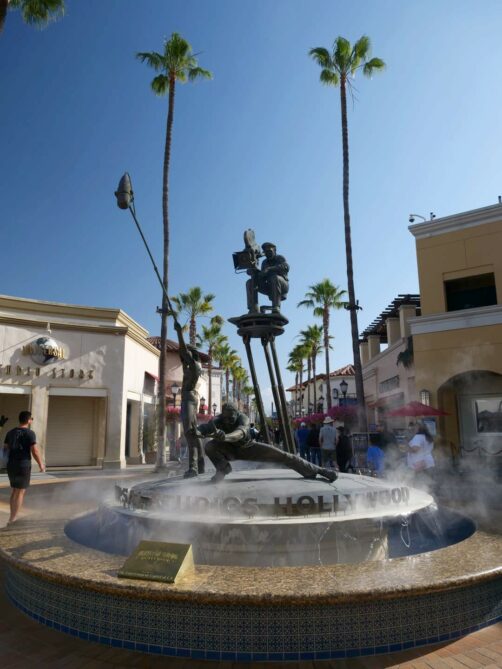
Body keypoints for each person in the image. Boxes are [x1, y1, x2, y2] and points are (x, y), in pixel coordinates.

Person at [197, 403, 337, 483]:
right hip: (229, 449)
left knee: (285, 456)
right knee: (209, 446)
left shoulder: (243, 418)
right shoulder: (219, 419)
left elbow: (239, 434)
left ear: (237, 414)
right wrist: (197, 431)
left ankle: (320, 471)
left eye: (231, 418)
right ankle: (223, 469)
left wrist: (225, 437)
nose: (227, 421)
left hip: (249, 448)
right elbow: (205, 427)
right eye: (225, 418)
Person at [3, 411, 45, 525]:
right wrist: (41, 464)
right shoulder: (30, 433)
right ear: (29, 420)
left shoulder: (10, 432)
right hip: (23, 465)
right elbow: (35, 451)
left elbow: (5, 449)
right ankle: (13, 519)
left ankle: (11, 517)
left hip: (11, 465)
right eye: (31, 419)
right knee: (20, 492)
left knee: (14, 490)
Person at [174, 321, 205, 478]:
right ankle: (201, 463)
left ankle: (193, 467)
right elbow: (183, 354)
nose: (183, 358)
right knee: (194, 432)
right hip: (189, 398)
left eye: (186, 354)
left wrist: (179, 332)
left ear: (191, 354)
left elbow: (183, 351)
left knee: (190, 432)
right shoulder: (190, 366)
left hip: (189, 400)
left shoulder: (194, 365)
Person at [246, 242, 289, 313]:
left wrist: (269, 269)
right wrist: (255, 272)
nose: (268, 253)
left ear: (274, 250)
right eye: (266, 252)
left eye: (269, 251)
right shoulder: (264, 262)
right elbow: (262, 277)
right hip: (269, 286)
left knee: (274, 278)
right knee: (250, 282)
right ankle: (253, 308)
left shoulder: (280, 258)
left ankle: (276, 306)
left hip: (282, 286)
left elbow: (285, 267)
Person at [407, 422, 435, 488]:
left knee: (419, 485)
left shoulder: (418, 437)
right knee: (428, 485)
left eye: (415, 427)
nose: (413, 428)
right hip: (429, 462)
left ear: (418, 428)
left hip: (419, 464)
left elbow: (415, 449)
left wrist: (406, 447)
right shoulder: (428, 437)